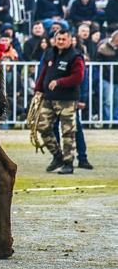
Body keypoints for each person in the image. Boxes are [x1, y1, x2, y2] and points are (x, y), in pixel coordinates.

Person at [34, 29, 85, 174]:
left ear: (70, 40)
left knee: (68, 131)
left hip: (67, 100)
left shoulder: (76, 57)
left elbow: (78, 77)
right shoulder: (50, 53)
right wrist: (38, 88)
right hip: (49, 98)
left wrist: (59, 82)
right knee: (42, 126)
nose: (61, 42)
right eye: (59, 39)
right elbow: (44, 72)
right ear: (54, 40)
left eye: (64, 39)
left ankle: (68, 163)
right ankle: (58, 156)